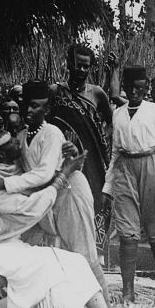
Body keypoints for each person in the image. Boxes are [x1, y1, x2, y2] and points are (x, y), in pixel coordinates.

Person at [0, 129, 149, 308]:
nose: (18, 141)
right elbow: (30, 208)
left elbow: (36, 177)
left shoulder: (9, 171)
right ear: (2, 155)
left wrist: (64, 161)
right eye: (12, 142)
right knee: (50, 270)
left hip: (11, 246)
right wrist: (62, 176)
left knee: (75, 261)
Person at [0, 80, 109, 297]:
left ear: (47, 109)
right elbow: (22, 170)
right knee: (42, 251)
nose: (29, 111)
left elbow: (44, 173)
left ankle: (105, 307)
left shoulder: (52, 133)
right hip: (46, 197)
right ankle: (70, 305)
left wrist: (4, 184)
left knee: (82, 252)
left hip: (69, 191)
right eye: (27, 105)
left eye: (36, 106)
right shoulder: (21, 137)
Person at [104, 66, 155, 302]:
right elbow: (114, 153)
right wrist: (107, 187)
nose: (134, 91)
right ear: (123, 86)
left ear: (146, 89)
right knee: (127, 232)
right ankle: (128, 291)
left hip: (150, 166)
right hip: (124, 168)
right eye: (130, 86)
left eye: (140, 88)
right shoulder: (118, 113)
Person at [50, 44, 114, 212]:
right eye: (78, 65)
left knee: (91, 198)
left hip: (89, 157)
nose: (82, 70)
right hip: (61, 156)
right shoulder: (56, 91)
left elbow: (112, 122)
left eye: (86, 66)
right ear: (69, 64)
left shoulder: (97, 94)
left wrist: (101, 139)